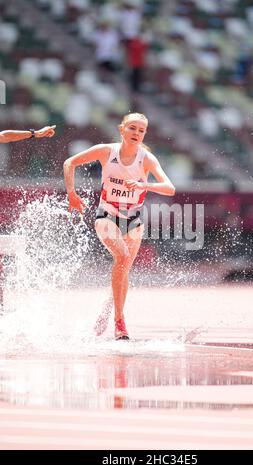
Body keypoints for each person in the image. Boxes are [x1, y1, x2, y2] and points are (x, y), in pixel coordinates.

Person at [63, 112, 175, 340]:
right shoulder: (107, 151)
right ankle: (120, 323)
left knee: (123, 272)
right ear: (122, 129)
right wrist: (71, 193)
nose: (136, 133)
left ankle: (107, 311)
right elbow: (70, 162)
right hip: (107, 214)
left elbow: (169, 187)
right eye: (132, 128)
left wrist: (145, 185)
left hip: (133, 221)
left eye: (141, 130)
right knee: (122, 258)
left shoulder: (146, 159)